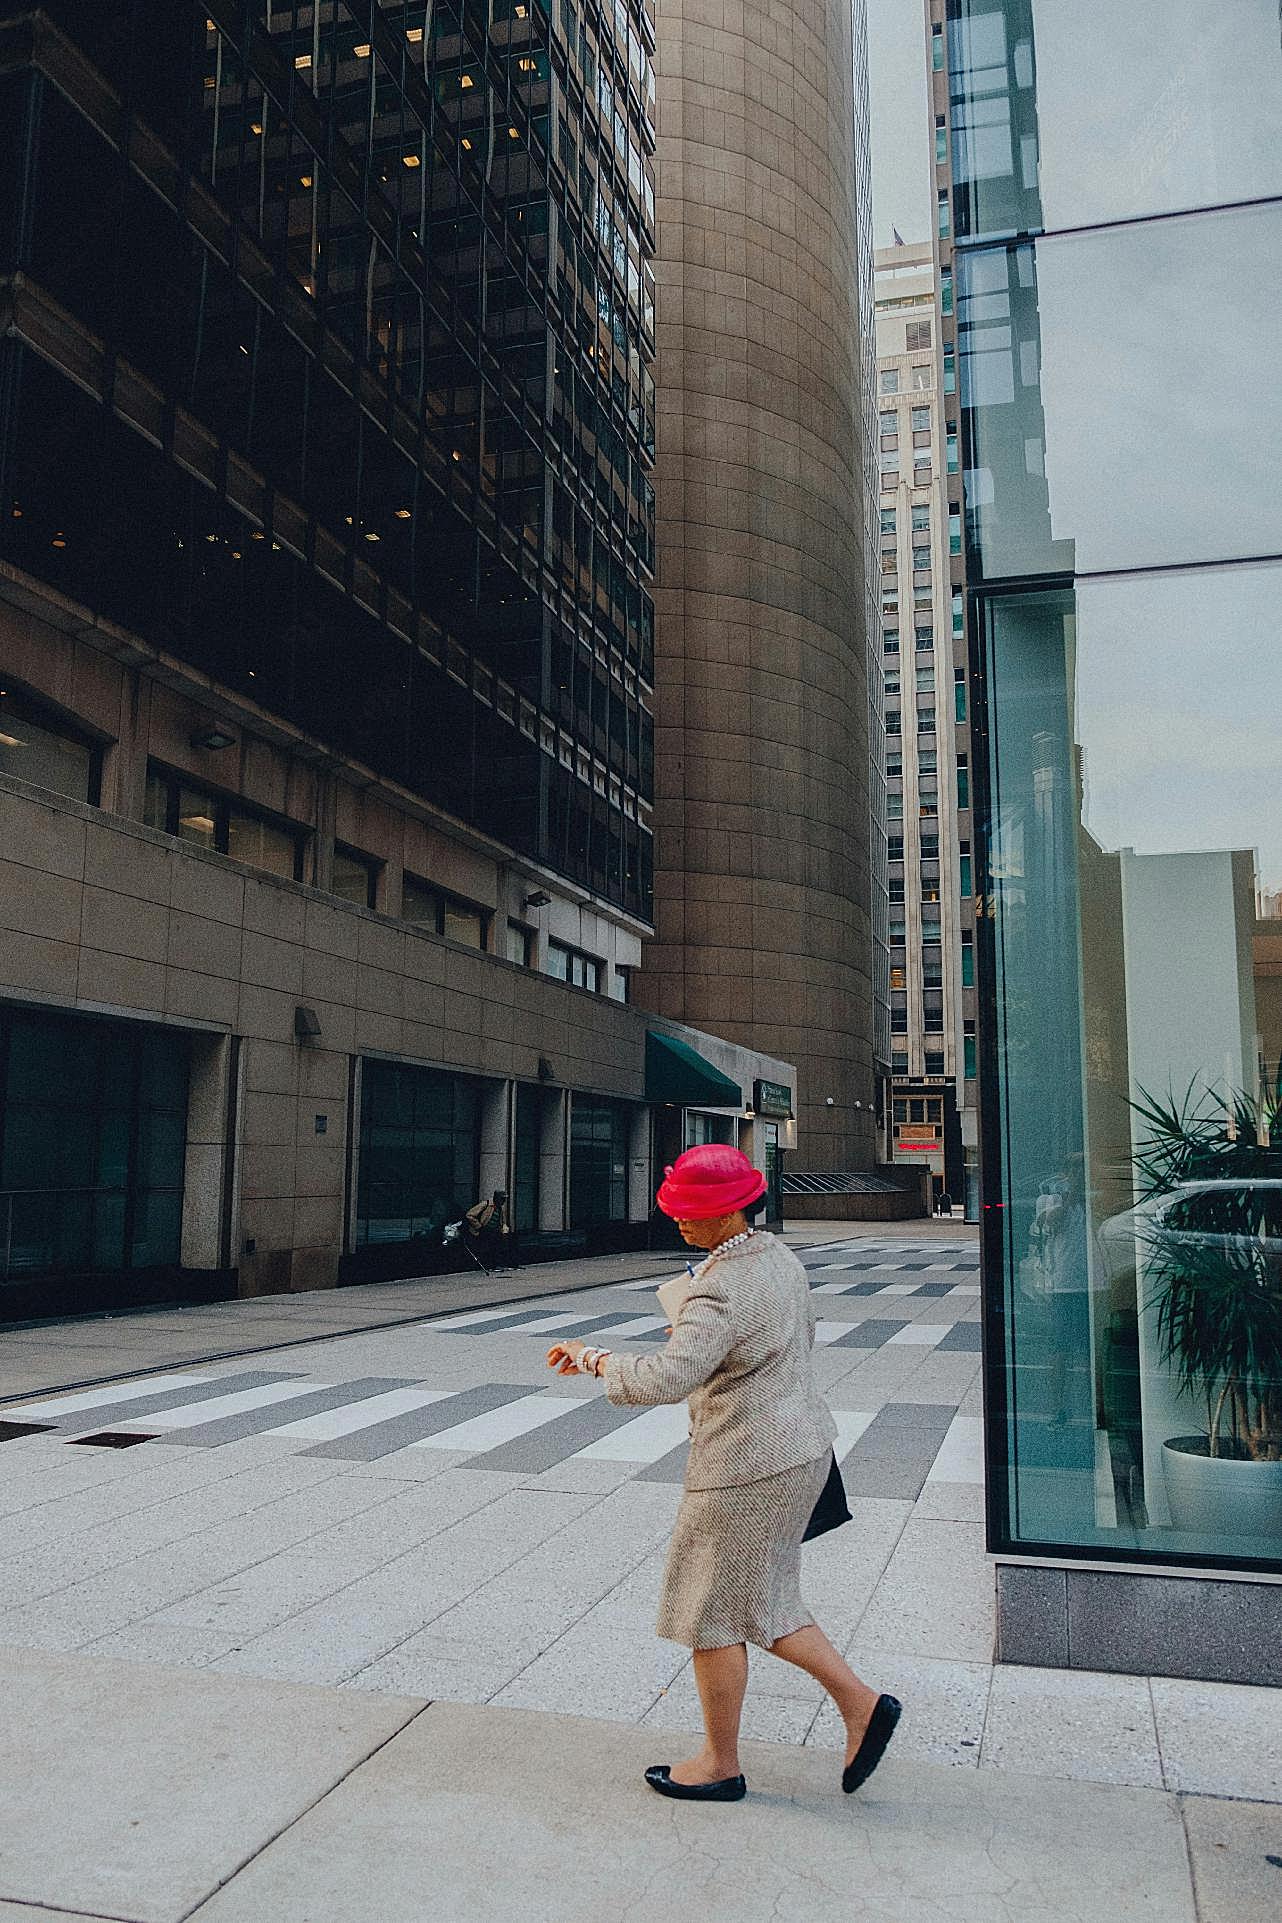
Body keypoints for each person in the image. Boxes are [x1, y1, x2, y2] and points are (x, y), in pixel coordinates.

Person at [547, 1143, 901, 1804]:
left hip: (743, 1465)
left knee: (709, 1612)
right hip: (801, 1448)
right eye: (677, 1208)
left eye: (694, 1210)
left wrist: (594, 1358)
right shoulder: (781, 1259)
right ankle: (861, 1704)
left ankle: (720, 1761)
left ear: (732, 1209)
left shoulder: (720, 1285)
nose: (681, 1220)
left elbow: (672, 1375)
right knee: (765, 1600)